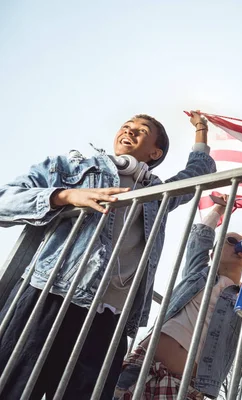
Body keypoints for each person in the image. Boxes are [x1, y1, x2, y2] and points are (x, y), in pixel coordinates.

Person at [0, 111, 217, 399]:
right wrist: (64, 196)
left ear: (155, 151)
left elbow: (198, 174)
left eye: (141, 130)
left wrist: (201, 130)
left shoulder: (159, 194)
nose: (130, 131)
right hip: (52, 296)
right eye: (126, 126)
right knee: (13, 387)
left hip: (110, 319)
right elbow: (5, 198)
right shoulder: (73, 167)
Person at [113, 194, 242, 399]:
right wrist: (219, 208)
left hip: (185, 386)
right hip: (140, 367)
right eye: (230, 241)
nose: (238, 246)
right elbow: (199, 239)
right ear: (213, 253)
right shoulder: (198, 273)